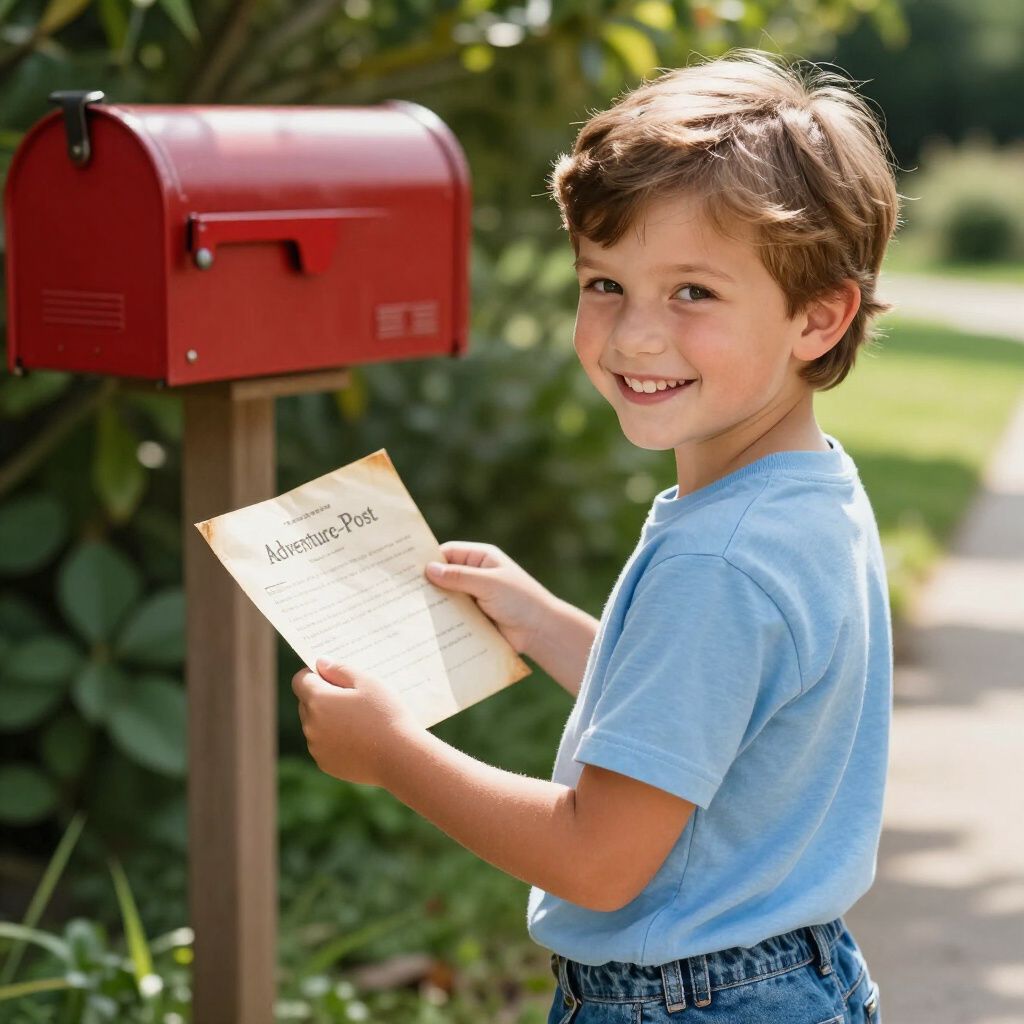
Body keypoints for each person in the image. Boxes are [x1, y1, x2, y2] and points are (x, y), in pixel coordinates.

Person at [292, 46, 899, 1024]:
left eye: (691, 292)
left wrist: (392, 751)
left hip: (685, 1001)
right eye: (603, 282)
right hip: (789, 975)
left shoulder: (721, 558)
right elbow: (704, 716)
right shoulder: (801, 495)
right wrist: (544, 624)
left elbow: (596, 858)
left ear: (818, 317)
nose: (631, 337)